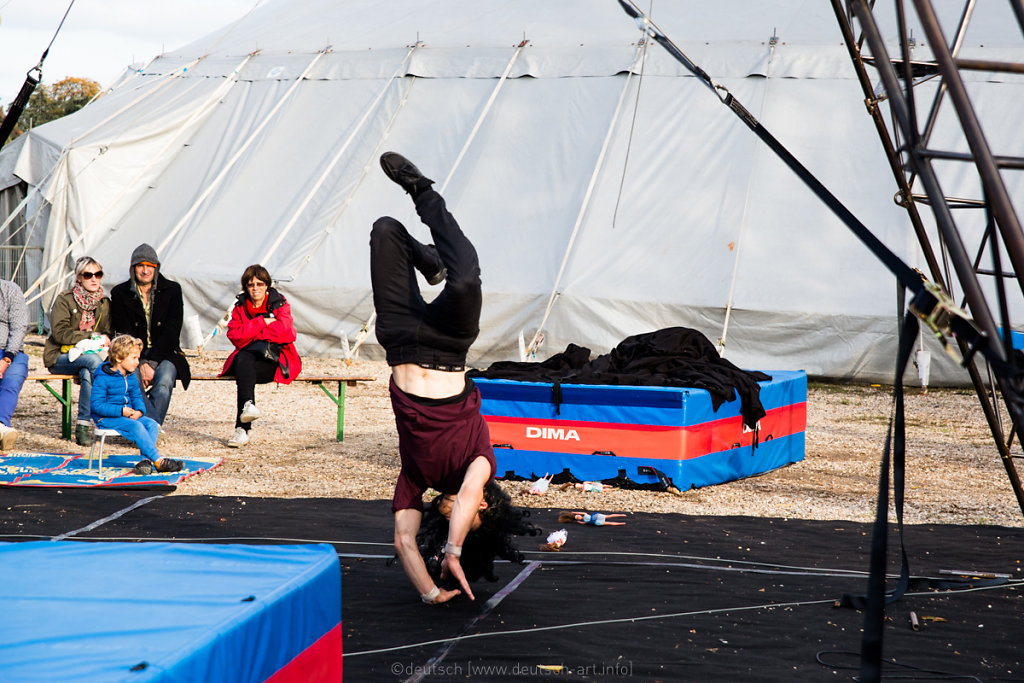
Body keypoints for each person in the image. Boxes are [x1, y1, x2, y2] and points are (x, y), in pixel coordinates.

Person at [372, 152, 538, 606]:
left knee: (386, 228)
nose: (464, 510)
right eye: (476, 512)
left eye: (456, 520)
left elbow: (403, 541)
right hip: (448, 346)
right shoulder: (479, 464)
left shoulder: (413, 477)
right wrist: (454, 550)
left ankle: (421, 258)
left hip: (402, 342)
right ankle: (422, 190)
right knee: (465, 280)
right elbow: (466, 499)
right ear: (486, 503)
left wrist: (430, 593)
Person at [219, 264, 302, 448]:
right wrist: (263, 321)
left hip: (274, 361)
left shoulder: (279, 303)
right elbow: (234, 335)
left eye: (259, 284)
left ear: (267, 286)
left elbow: (287, 333)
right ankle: (246, 412)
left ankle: (242, 429)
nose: (255, 288)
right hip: (248, 362)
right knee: (243, 360)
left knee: (243, 364)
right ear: (245, 287)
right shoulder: (241, 307)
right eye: (251, 284)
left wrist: (251, 335)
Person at [110, 244, 191, 425]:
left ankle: (146, 428)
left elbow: (172, 331)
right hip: (132, 353)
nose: (145, 270)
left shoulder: (172, 290)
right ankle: (152, 427)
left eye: (150, 266)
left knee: (165, 380)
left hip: (166, 352)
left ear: (156, 267)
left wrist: (151, 363)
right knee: (133, 380)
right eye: (140, 265)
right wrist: (142, 361)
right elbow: (124, 332)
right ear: (133, 269)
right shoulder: (120, 293)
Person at [44, 256, 112, 446]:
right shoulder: (65, 299)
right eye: (88, 274)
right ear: (78, 277)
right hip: (60, 356)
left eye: (97, 274)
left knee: (87, 372)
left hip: (89, 357)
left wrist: (100, 339)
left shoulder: (104, 303)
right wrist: (90, 337)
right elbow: (59, 333)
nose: (93, 278)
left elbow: (107, 332)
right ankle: (101, 417)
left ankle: (82, 426)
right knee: (93, 364)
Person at [90, 335, 182, 475]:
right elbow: (96, 405)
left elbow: (137, 397)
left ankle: (145, 463)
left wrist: (139, 410)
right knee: (136, 426)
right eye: (134, 358)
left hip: (127, 414)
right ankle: (159, 461)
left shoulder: (131, 375)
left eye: (138, 358)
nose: (137, 362)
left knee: (151, 424)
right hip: (106, 418)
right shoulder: (102, 377)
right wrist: (121, 411)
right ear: (119, 358)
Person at [0, 278, 28, 451]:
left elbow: (19, 328)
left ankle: (1, 423)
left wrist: (6, 359)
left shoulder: (10, 290)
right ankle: (2, 431)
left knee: (12, 380)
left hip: (12, 352)